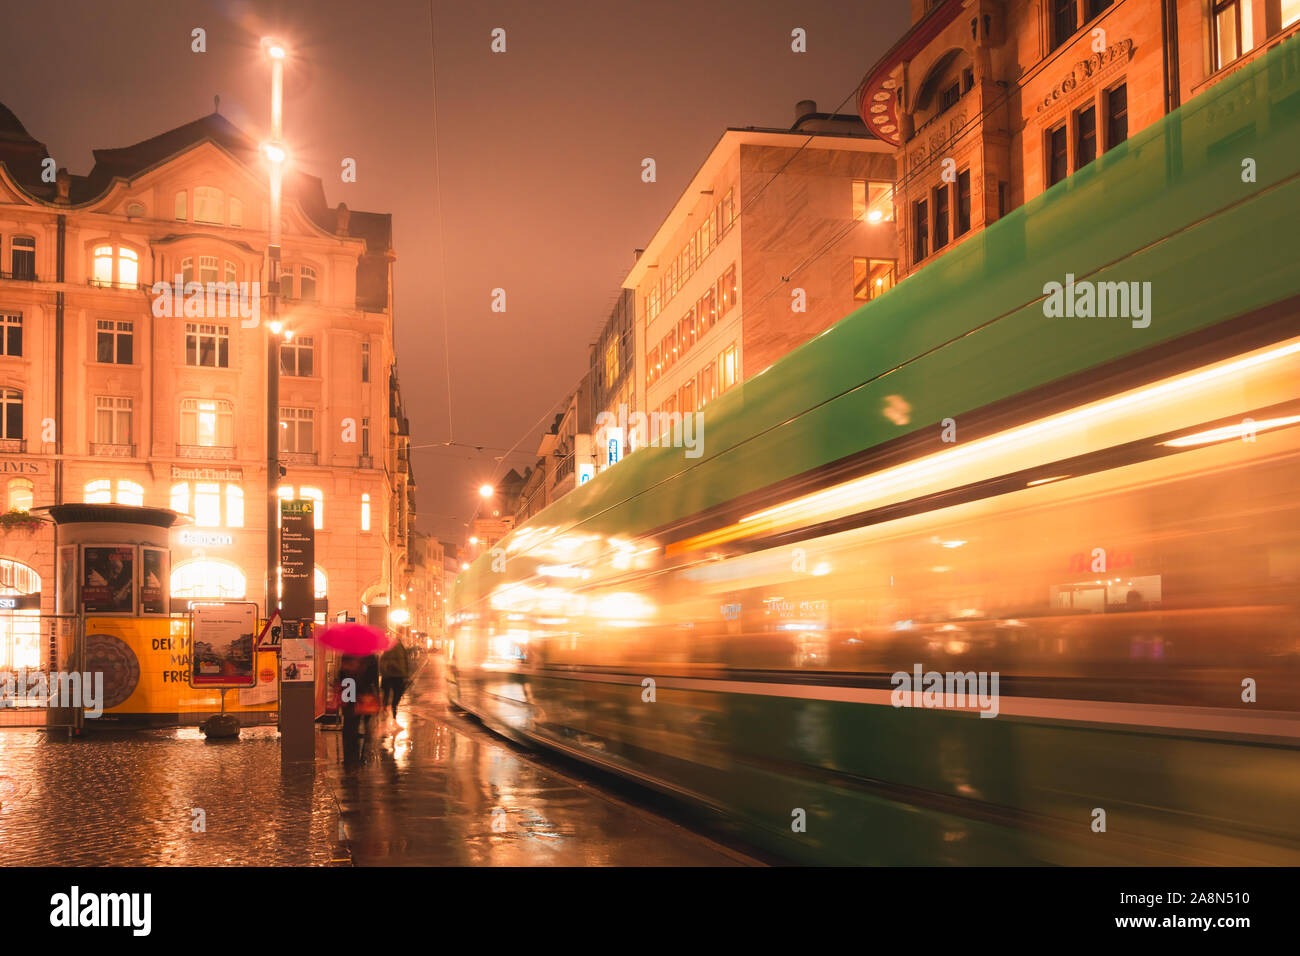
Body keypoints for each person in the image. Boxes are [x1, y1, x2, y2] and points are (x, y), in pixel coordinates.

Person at [338, 653, 381, 766]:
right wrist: (376, 694)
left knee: (349, 727)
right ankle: (363, 756)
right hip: (365, 694)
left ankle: (350, 758)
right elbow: (374, 678)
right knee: (367, 726)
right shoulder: (371, 655)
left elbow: (342, 674)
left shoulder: (346, 654)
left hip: (349, 690)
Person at [379, 640, 411, 719]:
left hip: (388, 676)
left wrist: (383, 672)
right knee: (397, 693)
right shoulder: (401, 648)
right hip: (398, 676)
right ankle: (393, 706)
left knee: (386, 693)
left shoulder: (387, 650)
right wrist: (406, 675)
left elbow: (382, 662)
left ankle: (386, 707)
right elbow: (406, 662)